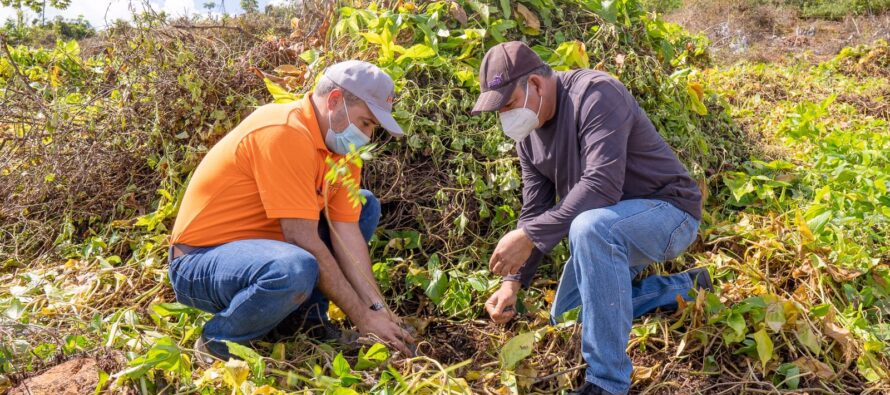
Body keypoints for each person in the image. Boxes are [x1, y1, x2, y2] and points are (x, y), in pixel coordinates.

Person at [472, 42, 712, 395]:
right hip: (611, 231)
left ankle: (607, 382)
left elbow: (602, 186)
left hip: (669, 214)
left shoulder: (596, 94)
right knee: (568, 313)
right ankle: (683, 287)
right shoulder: (528, 138)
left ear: (536, 85)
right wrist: (513, 282)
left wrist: (528, 237)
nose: (506, 117)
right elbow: (534, 211)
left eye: (508, 105)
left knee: (589, 226)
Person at [167, 60, 415, 362]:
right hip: (200, 263)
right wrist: (361, 317)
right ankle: (218, 340)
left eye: (372, 128)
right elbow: (301, 238)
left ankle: (308, 324)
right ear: (335, 101)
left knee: (364, 206)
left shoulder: (343, 154)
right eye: (365, 123)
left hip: (267, 254)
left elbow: (346, 233)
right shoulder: (284, 131)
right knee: (295, 267)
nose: (367, 136)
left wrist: (379, 311)